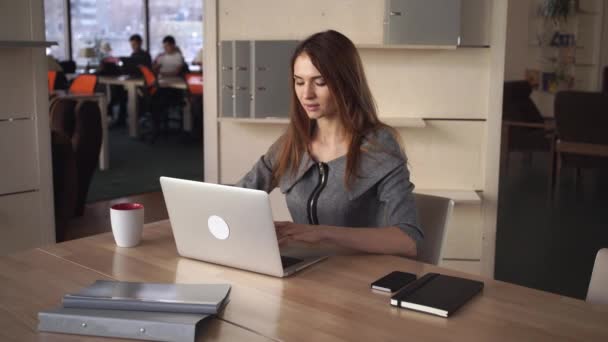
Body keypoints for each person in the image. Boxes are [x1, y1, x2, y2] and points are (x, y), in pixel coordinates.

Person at [236, 30, 422, 257]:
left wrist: (324, 233)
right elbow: (239, 197)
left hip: (358, 278)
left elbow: (407, 240)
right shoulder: (291, 144)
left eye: (320, 82)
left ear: (346, 83)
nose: (306, 94)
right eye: (299, 82)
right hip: (304, 273)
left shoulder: (380, 146)